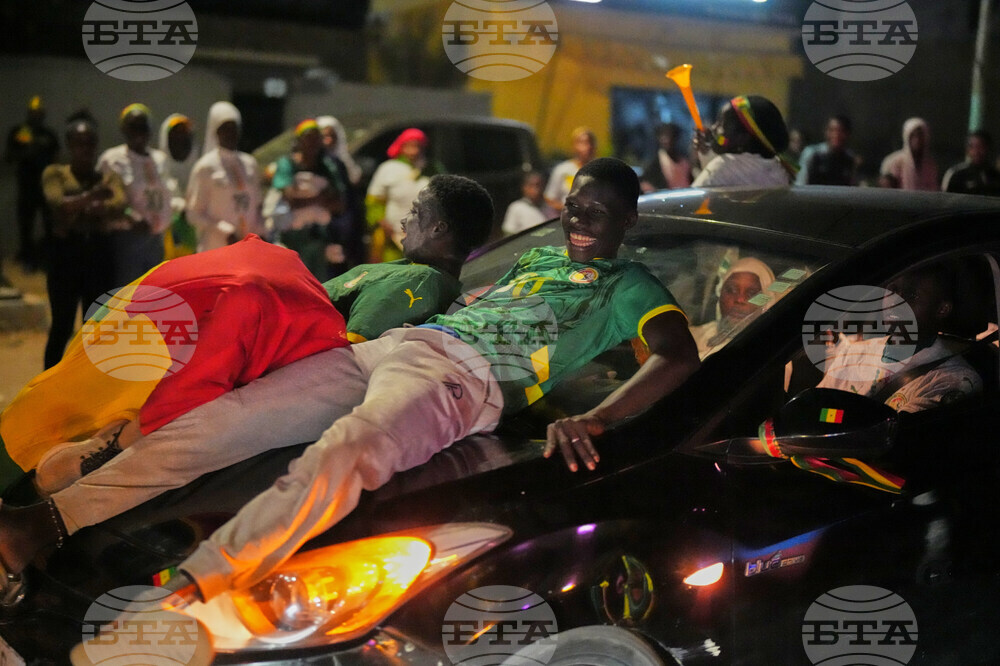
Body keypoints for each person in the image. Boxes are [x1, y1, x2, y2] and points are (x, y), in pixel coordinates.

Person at [0, 159, 701, 602]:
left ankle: (196, 587)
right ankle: (44, 522)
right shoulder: (536, 260)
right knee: (221, 422)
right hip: (401, 345)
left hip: (460, 380)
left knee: (347, 452)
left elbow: (677, 355)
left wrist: (597, 417)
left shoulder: (629, 284)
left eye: (596, 210)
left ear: (628, 220)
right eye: (573, 203)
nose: (577, 218)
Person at [0, 174, 492, 507]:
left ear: (439, 227)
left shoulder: (423, 282)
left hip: (251, 363)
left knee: (117, 433)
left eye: (417, 212)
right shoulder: (412, 270)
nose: (404, 218)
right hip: (246, 348)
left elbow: (342, 357)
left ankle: (50, 494)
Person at [816, 263, 982, 413]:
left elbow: (887, 434)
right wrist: (832, 421)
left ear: (942, 309)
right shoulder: (853, 353)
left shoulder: (952, 380)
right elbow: (816, 410)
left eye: (912, 295)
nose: (895, 301)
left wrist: (834, 420)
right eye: (893, 290)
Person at [40, 119, 128, 369]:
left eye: (90, 143)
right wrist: (93, 198)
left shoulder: (108, 177)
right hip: (65, 257)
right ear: (69, 145)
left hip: (98, 255)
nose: (85, 148)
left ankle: (88, 382)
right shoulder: (56, 173)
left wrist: (77, 206)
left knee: (95, 327)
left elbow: (118, 204)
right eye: (79, 143)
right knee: (62, 325)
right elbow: (57, 203)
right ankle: (50, 382)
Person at [96, 104, 174, 285]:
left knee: (154, 292)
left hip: (157, 240)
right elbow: (105, 197)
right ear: (124, 129)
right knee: (129, 292)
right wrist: (130, 216)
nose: (138, 132)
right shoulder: (112, 159)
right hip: (127, 238)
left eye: (143, 127)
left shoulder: (160, 159)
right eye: (133, 127)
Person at [269, 119, 346, 279]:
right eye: (308, 138)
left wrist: (314, 199)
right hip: (292, 238)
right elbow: (290, 199)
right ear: (299, 141)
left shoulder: (327, 167)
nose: (313, 143)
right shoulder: (287, 164)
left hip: (319, 239)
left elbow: (339, 203)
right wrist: (319, 199)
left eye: (316, 138)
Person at [186, 102, 265, 252]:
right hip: (216, 247)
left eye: (234, 128)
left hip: (248, 247)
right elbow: (193, 214)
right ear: (215, 131)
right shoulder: (205, 167)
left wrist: (261, 232)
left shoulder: (250, 164)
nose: (230, 133)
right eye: (225, 128)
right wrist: (222, 230)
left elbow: (257, 206)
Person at [366, 127, 442, 262]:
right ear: (401, 146)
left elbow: (443, 197)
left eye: (418, 146)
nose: (414, 151)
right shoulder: (388, 168)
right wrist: (382, 222)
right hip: (393, 237)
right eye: (410, 146)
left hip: (425, 237)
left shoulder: (433, 168)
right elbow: (374, 202)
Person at [5, 96, 59, 271]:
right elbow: (9, 157)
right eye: (33, 112)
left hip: (46, 188)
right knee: (26, 227)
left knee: (50, 225)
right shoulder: (21, 132)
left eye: (39, 112)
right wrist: (27, 151)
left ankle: (49, 260)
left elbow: (56, 158)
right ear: (29, 113)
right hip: (27, 187)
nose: (36, 115)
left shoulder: (48, 134)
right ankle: (28, 259)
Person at [692, 96, 794, 187]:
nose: (713, 128)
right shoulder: (780, 171)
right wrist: (707, 153)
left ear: (742, 138)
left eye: (721, 125)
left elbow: (694, 198)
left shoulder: (723, 167)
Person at [690, 257, 774, 359]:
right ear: (720, 294)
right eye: (731, 290)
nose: (740, 299)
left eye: (751, 294)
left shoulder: (772, 353)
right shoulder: (692, 336)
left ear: (767, 302)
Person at [316, 115, 365, 273]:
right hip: (321, 230)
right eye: (324, 136)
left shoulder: (341, 163)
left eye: (332, 136)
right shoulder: (315, 164)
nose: (328, 141)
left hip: (344, 229)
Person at [158, 113, 199, 259]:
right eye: (175, 137)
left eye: (185, 137)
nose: (181, 142)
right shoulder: (155, 169)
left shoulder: (202, 171)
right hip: (163, 253)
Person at [545, 126, 597, 211]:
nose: (587, 147)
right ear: (574, 146)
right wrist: (567, 209)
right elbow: (550, 198)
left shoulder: (600, 171)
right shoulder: (562, 170)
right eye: (582, 143)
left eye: (589, 143)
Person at [796, 115, 858, 186]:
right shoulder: (812, 153)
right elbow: (800, 183)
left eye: (841, 131)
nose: (836, 135)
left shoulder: (849, 158)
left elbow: (851, 185)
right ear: (826, 132)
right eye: (832, 130)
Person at [880, 118, 938, 192]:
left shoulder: (930, 165)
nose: (917, 140)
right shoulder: (892, 161)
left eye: (920, 135)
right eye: (913, 135)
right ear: (907, 137)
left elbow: (933, 189)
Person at [941, 130, 1000, 196]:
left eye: (980, 146)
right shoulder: (956, 174)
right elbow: (945, 199)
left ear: (988, 148)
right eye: (972, 147)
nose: (976, 151)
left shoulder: (995, 175)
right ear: (967, 150)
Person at [640, 122, 692, 193]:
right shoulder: (654, 164)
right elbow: (645, 183)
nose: (666, 140)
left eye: (669, 136)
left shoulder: (684, 161)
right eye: (663, 136)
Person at [502, 171, 557, 235]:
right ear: (524, 187)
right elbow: (509, 232)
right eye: (531, 186)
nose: (536, 189)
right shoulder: (516, 207)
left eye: (539, 185)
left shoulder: (550, 205)